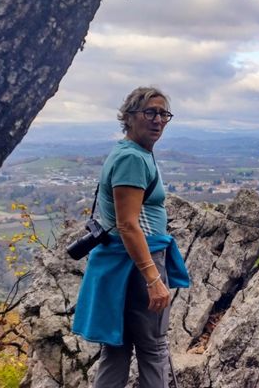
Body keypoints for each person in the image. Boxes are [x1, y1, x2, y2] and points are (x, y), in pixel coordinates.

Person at [73, 87, 190, 387]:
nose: (158, 120)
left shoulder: (130, 152)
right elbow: (128, 225)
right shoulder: (133, 159)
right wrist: (153, 280)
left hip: (121, 265)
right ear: (128, 117)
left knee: (116, 348)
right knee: (153, 349)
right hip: (139, 263)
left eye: (164, 113)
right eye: (150, 112)